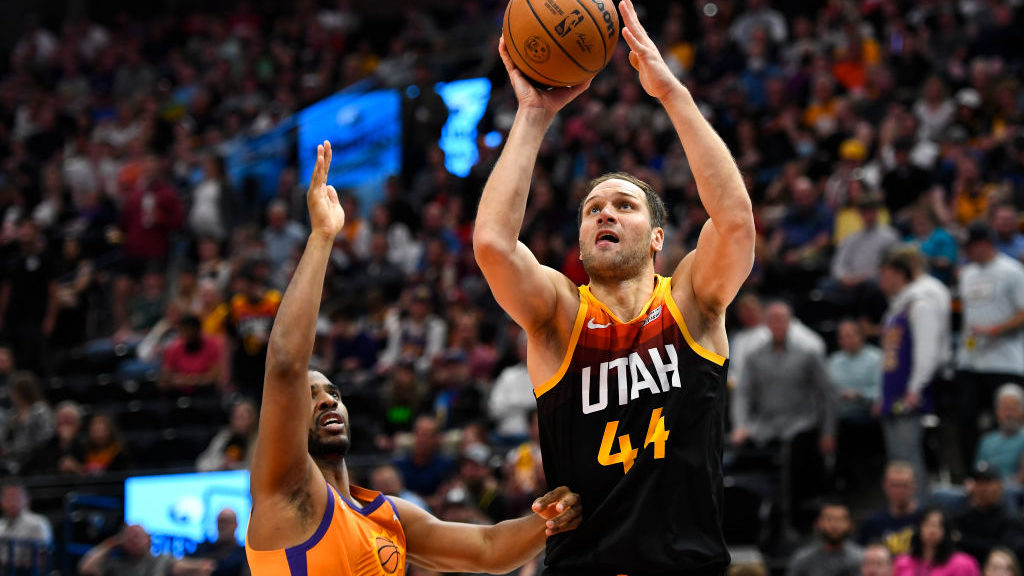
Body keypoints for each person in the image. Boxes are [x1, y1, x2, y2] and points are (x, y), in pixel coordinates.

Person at [473, 0, 756, 571]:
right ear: (579, 238)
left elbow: (735, 224)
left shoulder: (691, 301)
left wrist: (671, 93)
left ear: (656, 237)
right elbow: (493, 247)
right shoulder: (558, 314)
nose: (605, 214)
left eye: (623, 205)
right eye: (593, 209)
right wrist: (533, 114)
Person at [245, 141, 581, 576]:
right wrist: (322, 237)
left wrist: (553, 517)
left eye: (333, 391)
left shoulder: (386, 516)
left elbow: (487, 547)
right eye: (311, 396)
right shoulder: (283, 491)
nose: (328, 401)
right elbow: (287, 364)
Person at [877, 245, 952, 501]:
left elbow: (927, 350)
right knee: (898, 458)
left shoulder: (921, 302)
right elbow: (889, 355)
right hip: (894, 391)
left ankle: (919, 510)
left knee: (910, 457)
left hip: (911, 392)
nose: (881, 282)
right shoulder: (897, 307)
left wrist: (915, 389)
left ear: (900, 273)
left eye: (885, 275)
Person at [957, 222, 1024, 475]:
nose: (967, 253)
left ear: (983, 244)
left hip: (1005, 359)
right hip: (971, 359)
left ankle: (1014, 475)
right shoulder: (967, 274)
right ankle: (972, 476)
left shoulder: (1012, 271)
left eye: (970, 247)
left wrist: (997, 328)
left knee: (1010, 420)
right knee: (966, 418)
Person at [858, 462, 923, 557]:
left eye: (904, 485)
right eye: (895, 485)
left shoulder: (926, 519)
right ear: (885, 487)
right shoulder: (873, 523)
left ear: (914, 486)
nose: (899, 491)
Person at [892, 508, 980, 576]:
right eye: (928, 525)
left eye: (939, 526)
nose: (932, 531)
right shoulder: (902, 562)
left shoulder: (963, 563)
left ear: (947, 531)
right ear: (919, 528)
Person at [786, 500, 863, 576]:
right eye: (829, 519)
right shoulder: (802, 559)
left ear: (851, 525)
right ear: (817, 524)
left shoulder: (861, 559)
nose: (834, 525)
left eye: (840, 519)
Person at [173, 508, 248, 576]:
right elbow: (180, 564)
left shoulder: (243, 554)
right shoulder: (203, 547)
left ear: (236, 524)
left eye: (226, 521)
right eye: (220, 521)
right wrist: (198, 566)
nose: (223, 526)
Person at [78, 524, 172, 576]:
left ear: (148, 540)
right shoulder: (115, 563)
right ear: (122, 540)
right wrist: (111, 543)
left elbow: (185, 569)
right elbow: (86, 568)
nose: (135, 540)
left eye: (139, 536)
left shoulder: (161, 560)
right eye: (131, 537)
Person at [975, 384, 1024, 483]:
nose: (1008, 414)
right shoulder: (987, 441)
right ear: (997, 412)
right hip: (986, 488)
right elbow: (978, 471)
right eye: (1005, 409)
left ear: (1022, 412)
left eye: (1012, 409)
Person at [0, 483, 52, 572]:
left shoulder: (38, 523)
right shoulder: (1, 525)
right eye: (8, 498)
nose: (12, 502)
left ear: (26, 500)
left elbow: (43, 559)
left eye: (15, 498)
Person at [195, 399, 258, 472]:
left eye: (242, 417)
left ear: (253, 418)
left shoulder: (260, 439)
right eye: (236, 417)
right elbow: (201, 464)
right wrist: (222, 463)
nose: (239, 422)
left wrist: (235, 466)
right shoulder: (224, 436)